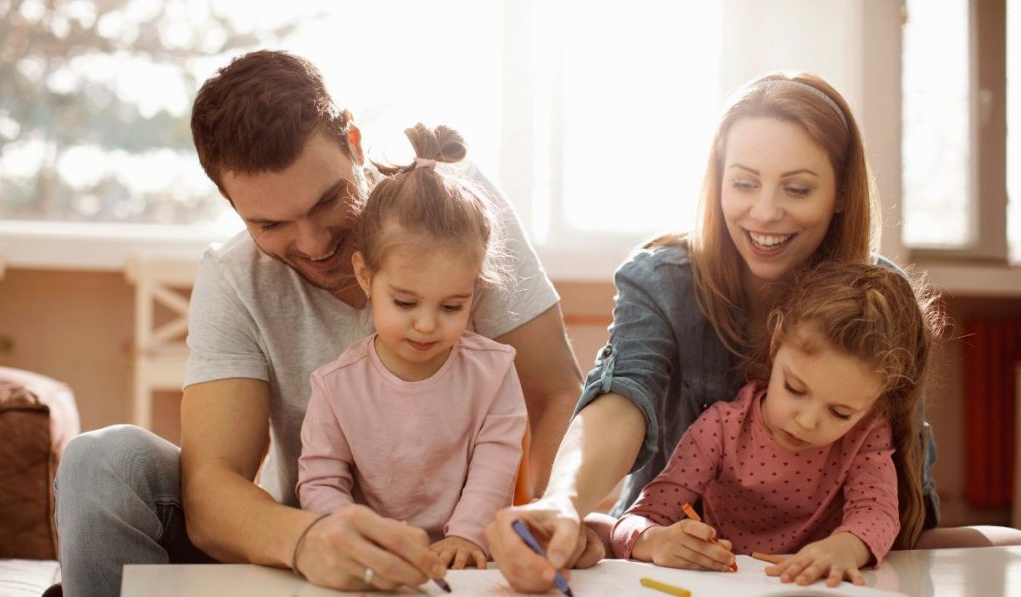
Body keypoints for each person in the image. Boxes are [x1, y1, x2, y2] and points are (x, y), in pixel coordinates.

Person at [53, 50, 585, 596]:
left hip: (470, 547)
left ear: (353, 141)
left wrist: (538, 520)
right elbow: (212, 491)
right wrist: (310, 540)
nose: (313, 244)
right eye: (270, 223)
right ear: (230, 202)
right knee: (101, 461)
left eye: (328, 199)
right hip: (300, 545)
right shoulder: (235, 277)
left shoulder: (454, 211)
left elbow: (557, 392)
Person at [485, 71, 1021, 593]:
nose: (765, 213)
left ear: (840, 192)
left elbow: (893, 490)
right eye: (743, 182)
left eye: (798, 188)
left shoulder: (880, 302)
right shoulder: (664, 280)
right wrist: (562, 500)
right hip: (687, 559)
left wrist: (856, 543)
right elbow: (624, 396)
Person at [613, 261, 940, 587]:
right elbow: (638, 519)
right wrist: (655, 541)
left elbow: (878, 512)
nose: (807, 421)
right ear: (775, 346)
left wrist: (847, 547)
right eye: (795, 389)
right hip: (730, 586)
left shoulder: (866, 433)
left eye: (840, 412)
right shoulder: (721, 428)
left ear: (875, 403)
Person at [296, 124, 527, 572]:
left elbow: (497, 462)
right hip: (369, 562)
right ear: (365, 276)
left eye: (452, 305)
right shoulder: (335, 386)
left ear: (473, 292)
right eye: (405, 302)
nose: (426, 324)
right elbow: (321, 480)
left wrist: (465, 535)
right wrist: (356, 538)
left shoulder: (493, 372)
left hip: (468, 562)